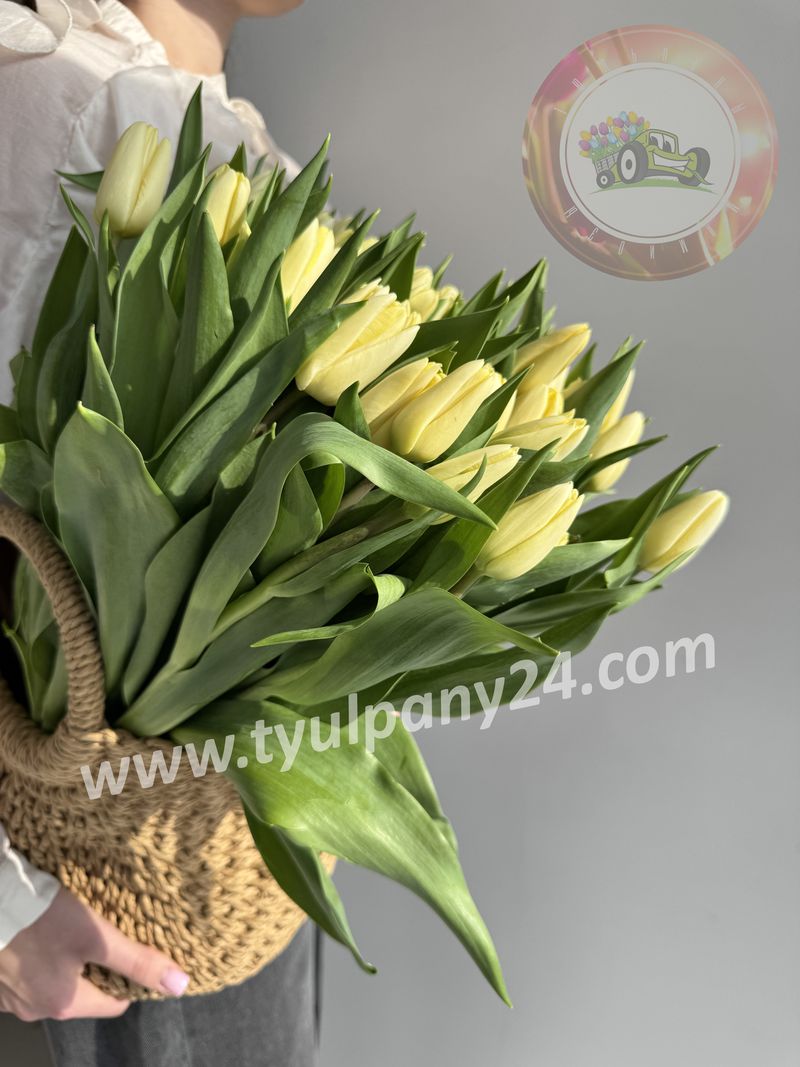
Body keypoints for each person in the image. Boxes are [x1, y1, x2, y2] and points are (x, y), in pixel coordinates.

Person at [0, 2, 319, 1064]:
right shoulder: (69, 101)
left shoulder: (221, 131)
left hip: (241, 867)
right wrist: (6, 903)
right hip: (104, 899)